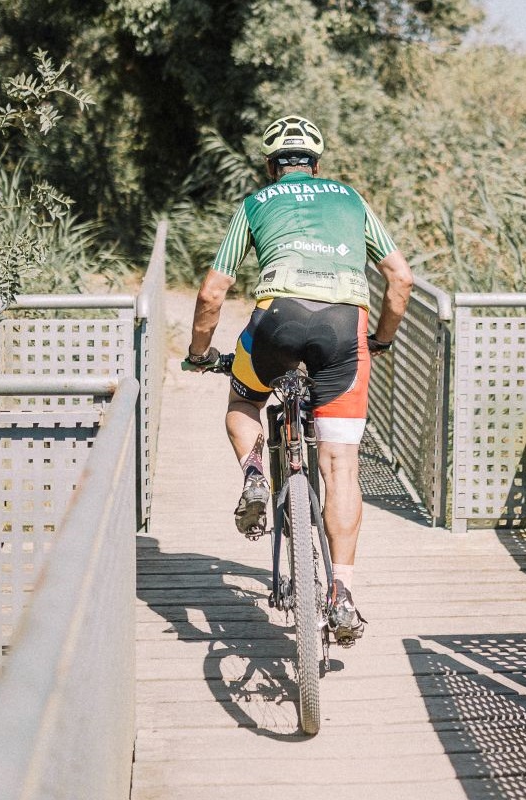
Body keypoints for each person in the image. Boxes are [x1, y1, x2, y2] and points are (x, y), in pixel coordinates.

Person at [183, 115, 415, 645]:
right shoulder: (352, 200)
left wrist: (200, 354)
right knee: (341, 465)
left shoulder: (256, 205)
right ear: (317, 163)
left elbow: (211, 294)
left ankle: (254, 472)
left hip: (277, 320)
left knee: (243, 400)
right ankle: (342, 593)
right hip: (344, 329)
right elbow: (400, 278)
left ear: (270, 165)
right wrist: (378, 339)